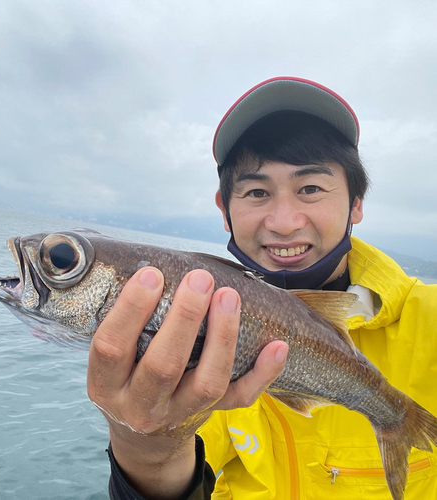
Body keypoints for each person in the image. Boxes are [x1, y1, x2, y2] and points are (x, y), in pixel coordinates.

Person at [87, 77, 437, 499]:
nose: (284, 222)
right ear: (225, 209)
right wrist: (145, 447)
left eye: (310, 188)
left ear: (356, 203)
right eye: (256, 192)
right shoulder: (195, 328)